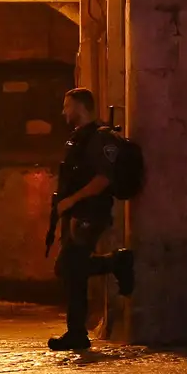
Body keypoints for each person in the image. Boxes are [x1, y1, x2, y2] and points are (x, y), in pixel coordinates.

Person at [49, 88, 135, 352]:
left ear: (80, 106)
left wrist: (72, 202)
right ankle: (76, 332)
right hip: (78, 212)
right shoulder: (79, 138)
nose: (64, 111)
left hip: (90, 212)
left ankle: (117, 261)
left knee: (69, 267)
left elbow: (103, 180)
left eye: (67, 106)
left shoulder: (99, 138)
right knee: (71, 269)